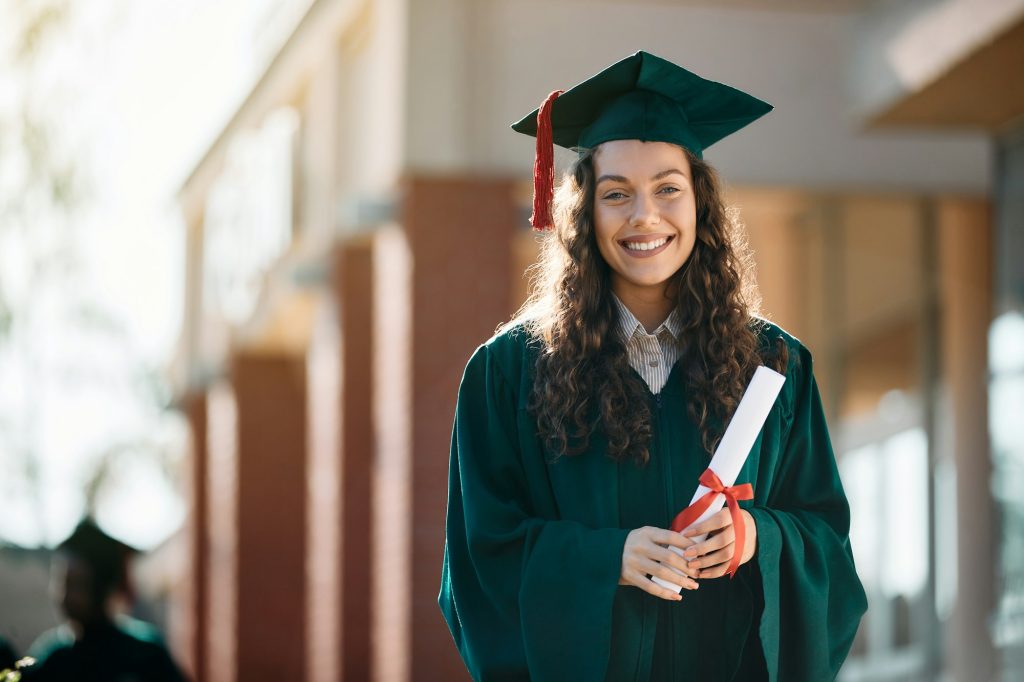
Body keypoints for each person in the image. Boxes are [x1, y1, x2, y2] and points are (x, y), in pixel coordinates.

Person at [438, 51, 867, 681]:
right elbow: (480, 559)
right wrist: (607, 558)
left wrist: (758, 541)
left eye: (668, 188)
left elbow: (827, 544)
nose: (644, 216)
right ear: (584, 213)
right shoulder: (508, 374)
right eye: (617, 194)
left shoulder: (774, 369)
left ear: (700, 204)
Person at [24, 518, 185, 682]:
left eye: (78, 584)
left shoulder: (143, 655)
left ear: (101, 588)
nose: (65, 594)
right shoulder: (52, 659)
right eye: (62, 582)